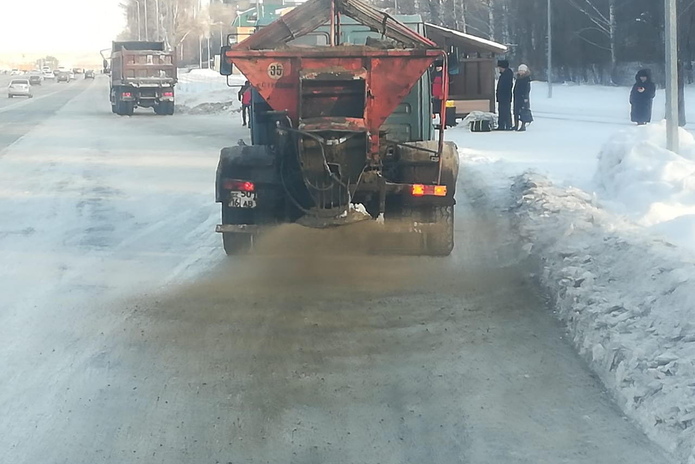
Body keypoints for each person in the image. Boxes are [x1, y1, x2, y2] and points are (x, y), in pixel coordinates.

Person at [495, 59, 514, 131]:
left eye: (500, 67)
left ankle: (507, 125)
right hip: (503, 97)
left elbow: (505, 86)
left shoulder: (506, 75)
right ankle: (503, 125)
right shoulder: (505, 75)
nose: (499, 69)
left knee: (505, 111)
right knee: (502, 111)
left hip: (505, 97)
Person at [513, 64, 532, 132]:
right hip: (517, 97)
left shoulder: (526, 79)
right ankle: (516, 125)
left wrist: (525, 98)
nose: (520, 72)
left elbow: (527, 89)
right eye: (520, 70)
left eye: (522, 70)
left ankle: (523, 125)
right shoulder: (518, 78)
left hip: (523, 98)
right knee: (516, 111)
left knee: (523, 111)